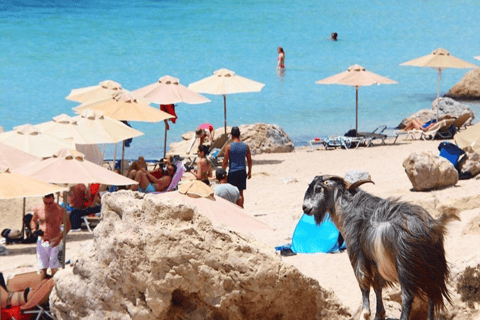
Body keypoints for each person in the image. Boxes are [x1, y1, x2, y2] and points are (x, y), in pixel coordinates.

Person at [30, 194, 71, 279]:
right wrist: (34, 229)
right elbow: (33, 220)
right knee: (42, 270)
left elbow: (68, 226)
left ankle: (55, 289)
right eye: (46, 203)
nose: (48, 205)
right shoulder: (38, 208)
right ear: (43, 200)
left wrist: (59, 238)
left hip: (55, 240)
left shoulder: (60, 209)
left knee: (55, 269)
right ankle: (43, 289)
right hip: (42, 240)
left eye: (50, 203)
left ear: (54, 200)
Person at [222, 126, 252, 208]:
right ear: (239, 135)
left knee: (232, 192)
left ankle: (235, 209)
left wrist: (222, 171)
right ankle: (241, 208)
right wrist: (249, 172)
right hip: (242, 171)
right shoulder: (245, 146)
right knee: (240, 193)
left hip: (233, 172)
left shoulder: (229, 146)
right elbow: (249, 160)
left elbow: (225, 161)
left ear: (232, 135)